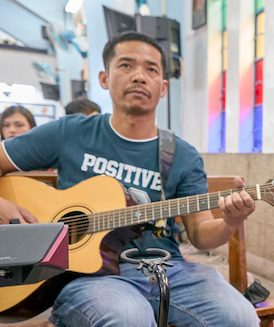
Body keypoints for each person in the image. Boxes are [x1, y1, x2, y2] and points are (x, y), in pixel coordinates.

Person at [0, 31, 260, 327]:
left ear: (163, 88)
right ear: (104, 78)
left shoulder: (182, 155)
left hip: (168, 270)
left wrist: (230, 221)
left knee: (240, 317)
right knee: (127, 318)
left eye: (151, 69)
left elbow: (200, 234)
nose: (139, 76)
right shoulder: (69, 132)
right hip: (90, 277)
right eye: (126, 65)